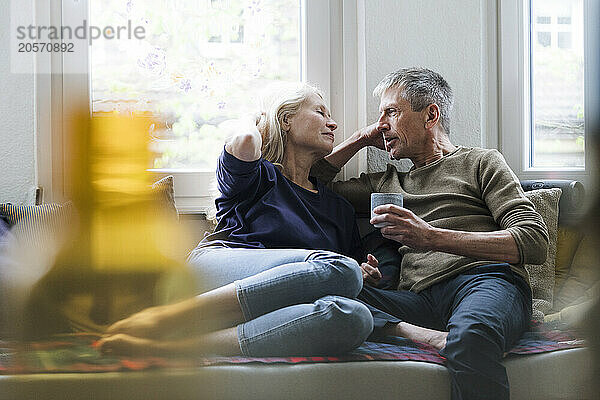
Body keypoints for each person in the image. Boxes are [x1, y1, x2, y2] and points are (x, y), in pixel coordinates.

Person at [310, 67, 549, 400]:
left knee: (473, 336)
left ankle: (449, 335)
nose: (382, 124)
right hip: (418, 299)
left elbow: (533, 239)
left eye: (391, 112)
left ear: (430, 115)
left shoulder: (480, 162)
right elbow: (310, 182)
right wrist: (362, 139)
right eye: (380, 117)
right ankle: (427, 335)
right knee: (319, 294)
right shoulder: (387, 183)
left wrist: (429, 237)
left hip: (484, 282)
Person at [97, 83, 373, 357]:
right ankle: (166, 318)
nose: (333, 123)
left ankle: (174, 348)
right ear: (286, 119)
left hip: (274, 306)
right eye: (320, 112)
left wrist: (364, 271)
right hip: (215, 272)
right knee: (342, 269)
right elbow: (245, 141)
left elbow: (344, 278)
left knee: (356, 316)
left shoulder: (339, 208)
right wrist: (256, 119)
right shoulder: (259, 176)